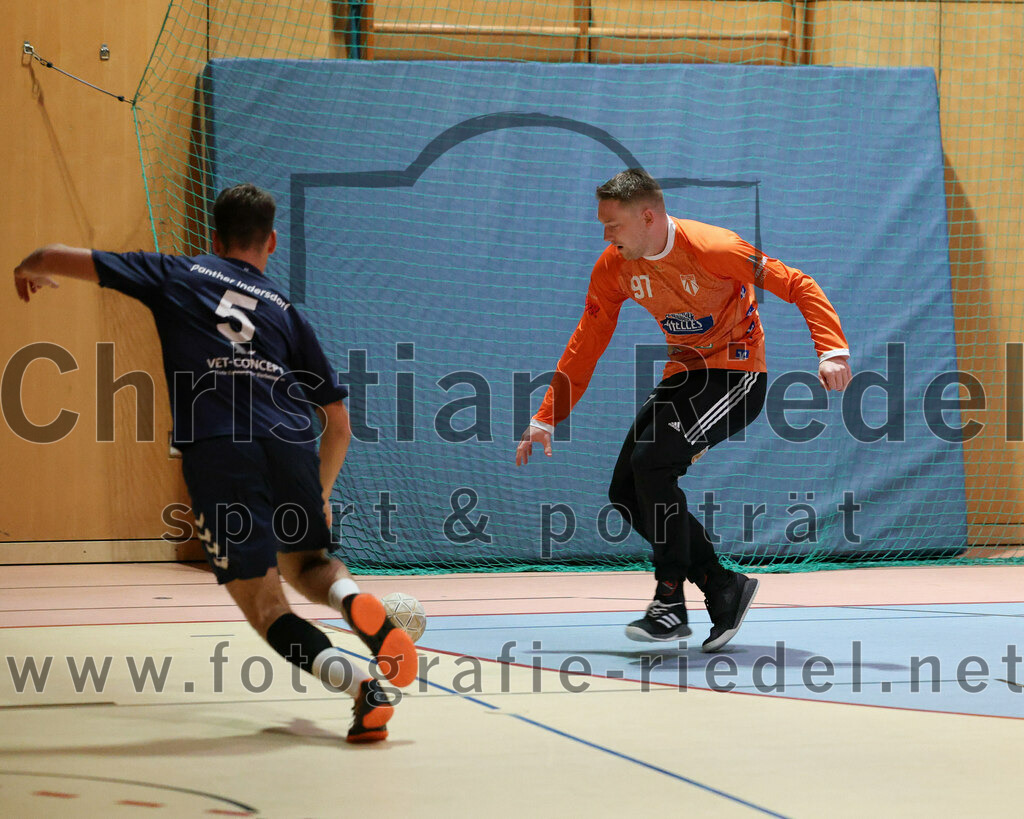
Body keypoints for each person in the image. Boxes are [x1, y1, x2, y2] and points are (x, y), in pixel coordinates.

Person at [13, 183, 417, 742]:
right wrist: (319, 490)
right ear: (271, 240)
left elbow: (62, 256)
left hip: (222, 451)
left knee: (266, 606)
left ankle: (363, 692)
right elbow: (339, 423)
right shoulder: (285, 310)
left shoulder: (177, 273)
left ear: (214, 237)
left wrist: (32, 263)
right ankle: (354, 600)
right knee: (308, 565)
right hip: (293, 445)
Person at [516, 168, 852, 651]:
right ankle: (721, 585)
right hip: (686, 374)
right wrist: (546, 414)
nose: (606, 236)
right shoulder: (614, 267)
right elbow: (586, 342)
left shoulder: (715, 248)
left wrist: (831, 350)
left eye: (613, 225)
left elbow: (796, 283)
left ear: (648, 216)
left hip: (737, 375)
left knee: (652, 463)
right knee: (626, 490)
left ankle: (670, 600)